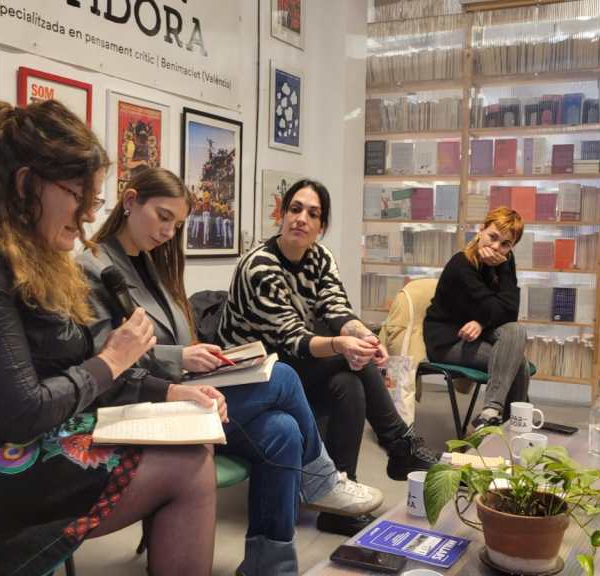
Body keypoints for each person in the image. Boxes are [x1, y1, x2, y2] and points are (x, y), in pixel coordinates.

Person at [0, 98, 218, 576]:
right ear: (25, 184)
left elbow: (73, 362)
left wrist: (169, 391)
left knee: (192, 447)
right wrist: (112, 361)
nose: (87, 216)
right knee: (186, 468)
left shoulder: (22, 260)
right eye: (79, 196)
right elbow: (25, 412)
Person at [78, 166, 383, 574]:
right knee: (283, 376)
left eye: (177, 224)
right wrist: (179, 357)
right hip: (143, 403)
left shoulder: (149, 261)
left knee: (283, 431)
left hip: (183, 391)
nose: (168, 232)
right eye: (163, 217)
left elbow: (165, 338)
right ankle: (323, 480)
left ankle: (269, 567)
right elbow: (106, 356)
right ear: (130, 202)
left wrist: (192, 352)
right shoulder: (95, 266)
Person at [217, 178, 439, 536]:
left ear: (321, 226)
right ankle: (400, 444)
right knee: (346, 361)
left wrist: (365, 337)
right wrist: (343, 346)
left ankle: (340, 499)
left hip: (291, 369)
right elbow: (293, 339)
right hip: (253, 377)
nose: (301, 218)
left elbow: (336, 309)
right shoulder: (259, 266)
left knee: (348, 382)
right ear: (282, 215)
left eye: (313, 214)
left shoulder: (320, 257)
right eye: (295, 209)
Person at [424, 207, 530, 429]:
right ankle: (508, 425)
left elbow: (510, 312)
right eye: (493, 237)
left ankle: (492, 414)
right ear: (481, 230)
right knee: (518, 363)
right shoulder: (461, 264)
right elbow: (492, 307)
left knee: (516, 330)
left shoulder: (505, 262)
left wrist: (481, 322)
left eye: (505, 244)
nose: (496, 247)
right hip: (449, 339)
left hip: (479, 332)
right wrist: (484, 319)